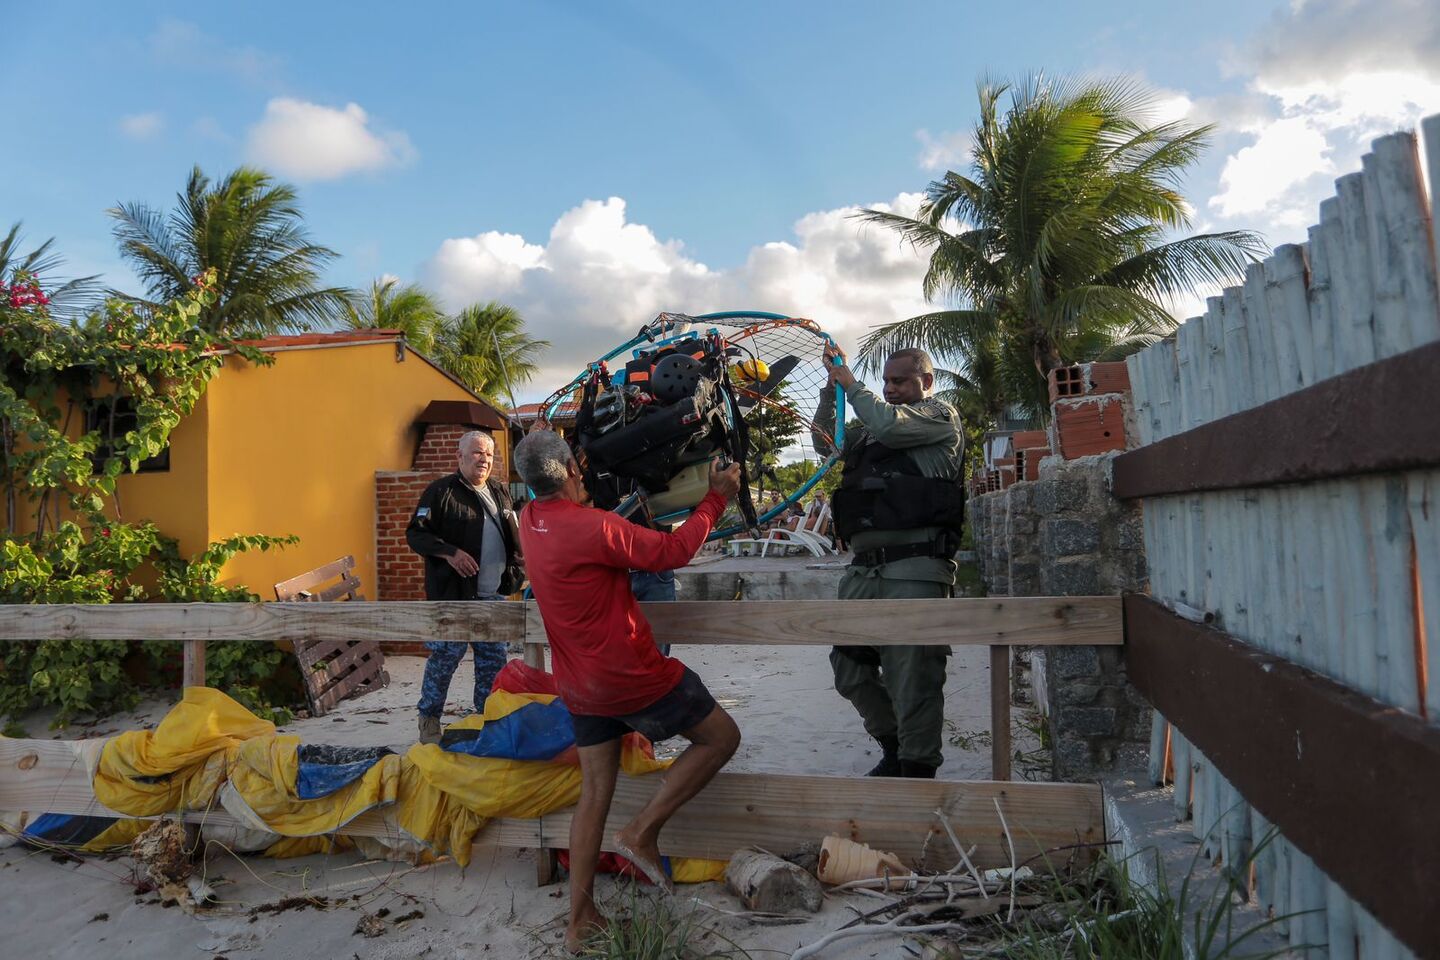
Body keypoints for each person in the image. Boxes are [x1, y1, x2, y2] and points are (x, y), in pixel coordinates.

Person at [512, 429, 742, 954]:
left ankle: (579, 920)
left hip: (580, 686)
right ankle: (641, 831)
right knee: (720, 739)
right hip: (631, 676)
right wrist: (716, 498)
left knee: (594, 792)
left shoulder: (530, 522)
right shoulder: (596, 527)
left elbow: (581, 528)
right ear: (573, 469)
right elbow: (676, 551)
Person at [813, 344, 965, 779]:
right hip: (863, 570)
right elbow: (825, 440)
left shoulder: (939, 417)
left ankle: (917, 770)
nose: (891, 389)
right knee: (849, 666)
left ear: (927, 382)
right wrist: (831, 391)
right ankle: (894, 746)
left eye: (901, 381)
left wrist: (852, 385)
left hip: (915, 569)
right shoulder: (869, 431)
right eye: (887, 381)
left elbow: (892, 427)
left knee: (911, 676)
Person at [406, 430, 524, 744]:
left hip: (493, 596)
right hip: (453, 598)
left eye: (488, 454)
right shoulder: (440, 492)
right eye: (476, 453)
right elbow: (415, 535)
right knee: (445, 659)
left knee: (492, 664)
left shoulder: (500, 491)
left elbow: (511, 534)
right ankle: (429, 720)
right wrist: (449, 552)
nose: (483, 459)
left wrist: (522, 558)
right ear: (459, 457)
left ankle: (485, 722)